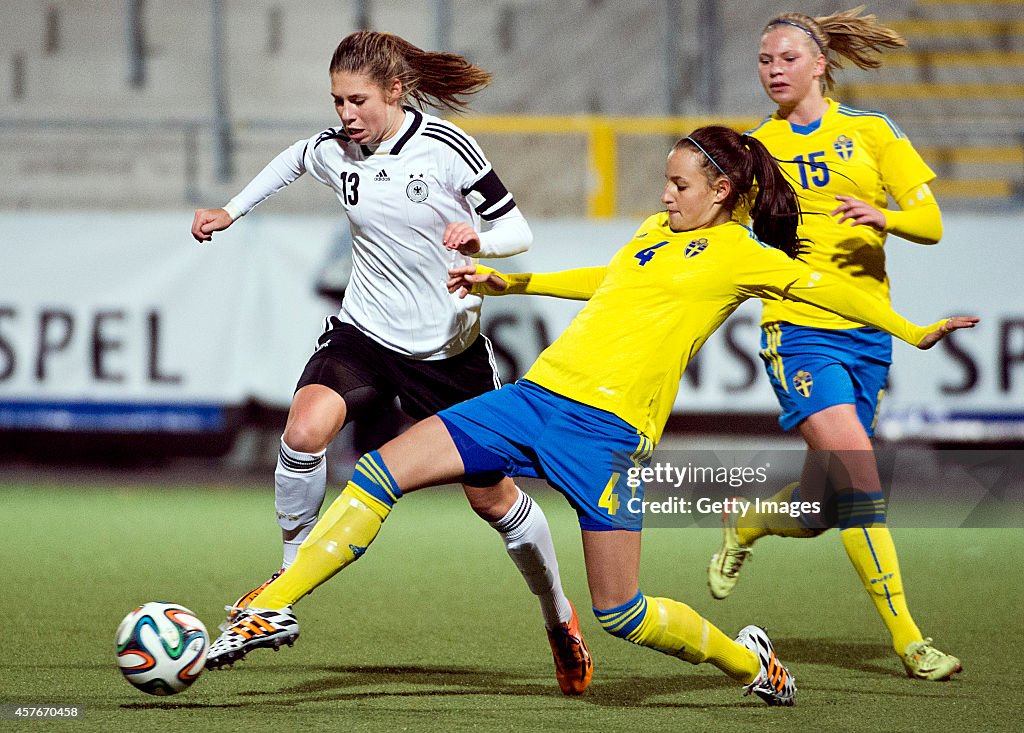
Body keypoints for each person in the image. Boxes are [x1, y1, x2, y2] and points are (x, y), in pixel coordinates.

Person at [205, 124, 977, 706]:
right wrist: (514, 283)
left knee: (623, 612)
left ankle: (750, 662)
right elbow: (607, 280)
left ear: (722, 189)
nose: (665, 194)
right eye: (665, 181)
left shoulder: (743, 253)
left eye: (679, 184)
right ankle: (269, 606)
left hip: (606, 439)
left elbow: (829, 289)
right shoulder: (653, 234)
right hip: (534, 398)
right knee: (381, 469)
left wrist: (912, 330)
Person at [190, 30, 592, 695]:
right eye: (338, 100)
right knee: (303, 430)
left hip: (447, 355)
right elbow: (295, 157)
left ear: (395, 92)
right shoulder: (338, 149)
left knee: (493, 499)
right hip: (364, 335)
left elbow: (518, 231)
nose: (346, 115)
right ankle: (282, 592)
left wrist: (480, 238)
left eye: (358, 101)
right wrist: (230, 211)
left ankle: (558, 618)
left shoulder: (446, 149)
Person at [705, 8, 963, 682]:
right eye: (764, 61)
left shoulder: (872, 132)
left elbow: (931, 222)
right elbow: (723, 234)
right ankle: (911, 641)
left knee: (822, 507)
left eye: (787, 58)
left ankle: (751, 523)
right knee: (862, 480)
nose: (773, 71)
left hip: (867, 332)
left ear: (821, 64)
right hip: (797, 332)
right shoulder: (753, 146)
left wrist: (887, 216)